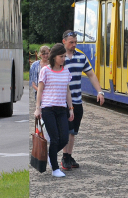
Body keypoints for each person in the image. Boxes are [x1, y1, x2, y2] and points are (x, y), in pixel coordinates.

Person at [61, 29, 104, 171]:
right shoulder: (59, 58)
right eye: (71, 42)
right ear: (64, 42)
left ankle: (69, 155)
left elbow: (91, 74)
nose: (74, 45)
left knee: (73, 131)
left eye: (75, 42)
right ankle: (65, 157)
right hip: (63, 101)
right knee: (66, 130)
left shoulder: (81, 57)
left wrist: (99, 91)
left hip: (77, 101)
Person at [33, 43, 74, 178]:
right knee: (55, 138)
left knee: (64, 138)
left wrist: (71, 108)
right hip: (48, 109)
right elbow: (40, 90)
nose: (63, 59)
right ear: (54, 57)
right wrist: (38, 108)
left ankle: (51, 155)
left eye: (64, 56)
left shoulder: (66, 71)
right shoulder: (45, 70)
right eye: (61, 56)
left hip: (62, 108)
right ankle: (55, 168)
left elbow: (67, 91)